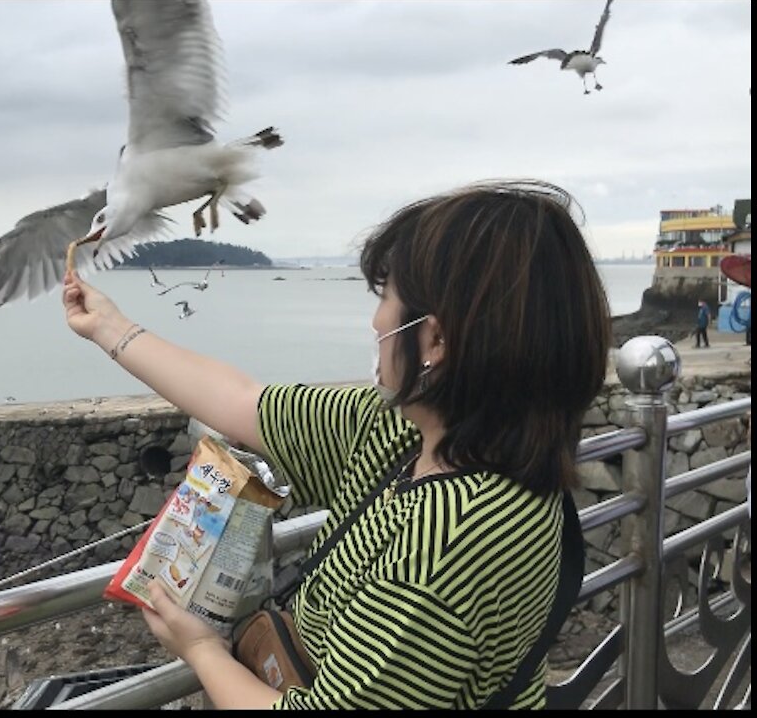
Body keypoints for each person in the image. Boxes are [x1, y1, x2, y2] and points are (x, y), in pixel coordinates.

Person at [62, 179, 612, 709]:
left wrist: (203, 651)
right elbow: (244, 401)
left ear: (436, 338)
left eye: (387, 297)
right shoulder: (406, 434)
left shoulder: (445, 544)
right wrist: (110, 327)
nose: (375, 322)